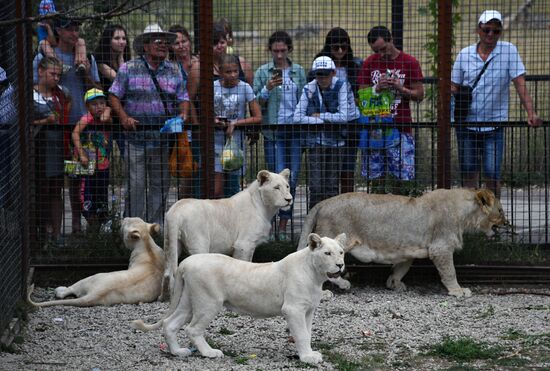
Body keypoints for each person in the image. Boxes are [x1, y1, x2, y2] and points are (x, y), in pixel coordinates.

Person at [451, 10, 542, 197]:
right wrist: (456, 106)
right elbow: (453, 86)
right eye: (486, 30)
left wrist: (531, 112)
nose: (491, 34)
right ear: (478, 30)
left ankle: (494, 217)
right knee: (469, 171)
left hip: (494, 122)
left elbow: (520, 83)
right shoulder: (464, 54)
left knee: (492, 173)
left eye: (496, 31)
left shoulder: (508, 51)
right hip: (467, 122)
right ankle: (471, 218)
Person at [109, 24, 189, 227]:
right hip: (135, 139)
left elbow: (183, 97)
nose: (163, 45)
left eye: (165, 42)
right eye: (157, 41)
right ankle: (133, 229)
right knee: (135, 187)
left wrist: (183, 114)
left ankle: (154, 228)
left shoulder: (173, 69)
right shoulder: (129, 68)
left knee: (160, 185)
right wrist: (124, 117)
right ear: (145, 46)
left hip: (162, 140)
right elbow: (114, 95)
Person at [33, 16, 101, 234]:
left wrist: (87, 71)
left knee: (79, 179)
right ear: (59, 32)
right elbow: (35, 85)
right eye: (70, 29)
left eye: (77, 29)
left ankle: (77, 229)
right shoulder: (43, 57)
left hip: (81, 125)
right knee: (52, 181)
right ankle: (52, 233)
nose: (75, 33)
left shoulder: (86, 56)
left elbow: (97, 89)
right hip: (53, 127)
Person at [253, 30, 306, 239]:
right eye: (276, 51)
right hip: (273, 131)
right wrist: (267, 88)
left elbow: (305, 99)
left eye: (283, 50)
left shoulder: (299, 71)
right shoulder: (263, 72)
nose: (280, 55)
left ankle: (283, 228)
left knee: (289, 181)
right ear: (270, 51)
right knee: (274, 180)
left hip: (294, 130)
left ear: (289, 49)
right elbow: (255, 103)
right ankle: (269, 226)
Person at [358, 25, 424, 193]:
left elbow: (419, 94)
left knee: (402, 178)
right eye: (376, 51)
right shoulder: (369, 63)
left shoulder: (409, 62)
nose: (381, 54)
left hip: (400, 127)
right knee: (375, 180)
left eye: (383, 49)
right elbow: (361, 97)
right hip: (376, 129)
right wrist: (376, 88)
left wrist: (401, 89)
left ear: (391, 40)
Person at [294, 56, 350, 209]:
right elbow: (297, 117)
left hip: (337, 142)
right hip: (316, 142)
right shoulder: (309, 88)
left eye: (326, 74)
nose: (322, 78)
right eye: (319, 74)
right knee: (316, 186)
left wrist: (320, 116)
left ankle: (331, 221)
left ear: (333, 73)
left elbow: (344, 116)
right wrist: (323, 121)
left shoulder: (342, 86)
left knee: (332, 186)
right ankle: (314, 220)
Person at [312, 27, 361, 193]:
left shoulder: (354, 66)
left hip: (349, 124)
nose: (340, 51)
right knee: (323, 174)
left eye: (344, 47)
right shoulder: (319, 64)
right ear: (329, 48)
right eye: (335, 48)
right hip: (325, 126)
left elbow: (360, 93)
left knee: (347, 167)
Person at [32, 56, 71, 245]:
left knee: (56, 190)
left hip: (57, 149)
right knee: (41, 190)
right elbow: (23, 123)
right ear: (40, 71)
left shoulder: (62, 93)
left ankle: (56, 233)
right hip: (38, 151)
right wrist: (43, 122)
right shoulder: (30, 95)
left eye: (59, 75)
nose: (56, 78)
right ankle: (41, 231)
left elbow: (68, 110)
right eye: (52, 74)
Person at [213, 54, 262, 198]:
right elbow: (203, 113)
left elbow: (258, 117)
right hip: (216, 143)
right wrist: (214, 120)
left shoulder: (245, 87)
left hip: (236, 144)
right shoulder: (213, 87)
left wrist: (235, 123)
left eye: (235, 71)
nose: (233, 75)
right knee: (217, 190)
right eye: (228, 72)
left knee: (234, 188)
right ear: (220, 71)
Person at [71, 88, 112, 228]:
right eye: (94, 104)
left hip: (102, 165)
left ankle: (99, 225)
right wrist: (81, 153)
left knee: (102, 196)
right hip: (87, 166)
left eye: (102, 103)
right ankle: (92, 224)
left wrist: (107, 111)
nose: (99, 107)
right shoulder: (86, 119)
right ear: (87, 106)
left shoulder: (105, 117)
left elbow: (106, 117)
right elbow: (75, 134)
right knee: (86, 197)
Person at [168, 25, 200, 198]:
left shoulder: (199, 62)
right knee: (188, 169)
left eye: (184, 41)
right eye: (176, 43)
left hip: (203, 121)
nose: (181, 46)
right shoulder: (170, 68)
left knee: (201, 168)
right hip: (181, 125)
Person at [36, 0, 87, 74]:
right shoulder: (42, 25)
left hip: (54, 41)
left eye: (51, 15)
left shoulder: (55, 22)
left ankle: (80, 63)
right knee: (45, 44)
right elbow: (52, 42)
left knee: (80, 41)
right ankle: (60, 65)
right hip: (45, 45)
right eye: (46, 16)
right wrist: (48, 28)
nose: (49, 18)